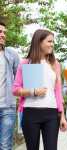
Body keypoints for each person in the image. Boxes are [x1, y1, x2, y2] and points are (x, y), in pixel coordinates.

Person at [12, 29, 67, 150]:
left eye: (53, 41)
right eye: (49, 41)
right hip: (31, 113)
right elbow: (15, 90)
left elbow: (58, 92)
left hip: (51, 114)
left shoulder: (54, 64)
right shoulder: (26, 63)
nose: (52, 44)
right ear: (39, 42)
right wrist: (34, 92)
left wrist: (62, 115)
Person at [0, 21, 20, 149]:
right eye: (0, 32)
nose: (3, 35)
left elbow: (19, 78)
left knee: (5, 145)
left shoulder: (12, 54)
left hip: (7, 107)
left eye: (4, 32)